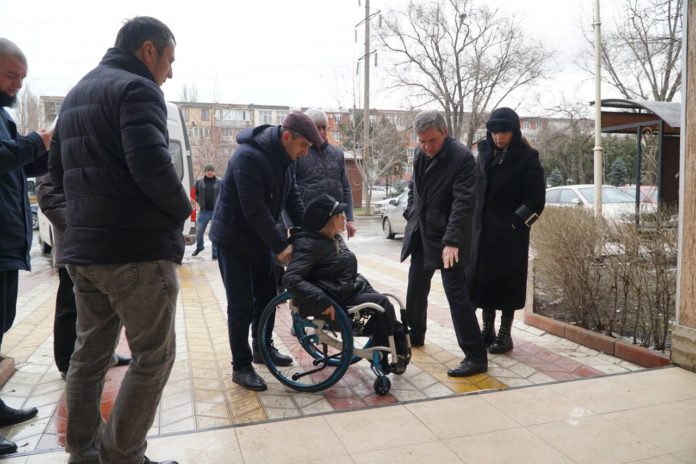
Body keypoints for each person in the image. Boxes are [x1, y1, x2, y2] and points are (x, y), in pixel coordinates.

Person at [48, 17, 190, 464]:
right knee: (153, 356)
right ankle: (123, 455)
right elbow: (151, 166)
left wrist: (83, 221)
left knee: (89, 355)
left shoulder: (76, 95)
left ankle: (82, 451)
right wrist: (183, 210)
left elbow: (54, 176)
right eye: (168, 60)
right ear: (148, 50)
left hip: (84, 254)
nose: (169, 72)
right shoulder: (138, 89)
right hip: (135, 252)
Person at [210, 111, 323, 391]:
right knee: (240, 305)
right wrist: (281, 245)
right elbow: (254, 209)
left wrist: (308, 233)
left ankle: (262, 349)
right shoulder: (248, 157)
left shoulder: (287, 159)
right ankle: (241, 366)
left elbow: (292, 198)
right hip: (233, 240)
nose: (305, 153)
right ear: (287, 136)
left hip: (259, 238)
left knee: (266, 296)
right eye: (303, 146)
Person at [400, 110, 487, 377]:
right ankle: (415, 335)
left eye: (432, 141)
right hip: (422, 233)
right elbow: (415, 188)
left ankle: (476, 356)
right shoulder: (420, 154)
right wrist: (411, 213)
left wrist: (452, 241)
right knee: (416, 286)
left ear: (445, 133)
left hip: (449, 238)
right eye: (422, 141)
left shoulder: (462, 158)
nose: (427, 147)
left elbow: (464, 203)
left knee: (456, 294)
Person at [283, 194, 409, 373]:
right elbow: (291, 279)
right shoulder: (309, 244)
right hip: (336, 299)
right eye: (340, 215)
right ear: (328, 220)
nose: (345, 218)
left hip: (349, 289)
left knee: (384, 308)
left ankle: (394, 347)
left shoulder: (333, 237)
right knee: (382, 305)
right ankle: (387, 354)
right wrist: (322, 299)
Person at [0, 37, 52, 456]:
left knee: (2, 325)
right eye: (11, 75)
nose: (18, 84)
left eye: (22, 77)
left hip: (6, 243)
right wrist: (39, 139)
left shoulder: (3, 115)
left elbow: (18, 164)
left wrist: (51, 149)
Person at [35, 175, 131, 380]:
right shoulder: (57, 154)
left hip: (104, 245)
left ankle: (105, 355)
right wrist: (81, 229)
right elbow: (48, 195)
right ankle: (67, 362)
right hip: (75, 247)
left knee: (107, 308)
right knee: (70, 308)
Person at [470, 107, 545, 354]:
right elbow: (476, 190)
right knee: (484, 283)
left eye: (504, 132)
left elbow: (536, 199)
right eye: (494, 132)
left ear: (514, 132)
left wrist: (515, 223)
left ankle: (505, 333)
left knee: (507, 284)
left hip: (510, 236)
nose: (498, 137)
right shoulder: (483, 153)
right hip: (483, 234)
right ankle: (487, 329)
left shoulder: (527, 158)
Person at [294, 108, 356, 238]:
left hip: (333, 225)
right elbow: (288, 191)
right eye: (317, 128)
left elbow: (345, 187)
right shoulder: (298, 153)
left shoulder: (337, 153)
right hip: (306, 225)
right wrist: (291, 225)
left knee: (337, 252)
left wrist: (350, 219)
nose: (321, 132)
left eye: (324, 127)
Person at [191, 163, 221, 258]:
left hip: (216, 212)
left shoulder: (220, 182)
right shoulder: (199, 182)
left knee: (215, 232)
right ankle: (200, 247)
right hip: (203, 212)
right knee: (199, 231)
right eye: (208, 171)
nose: (210, 172)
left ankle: (215, 253)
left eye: (212, 170)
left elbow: (225, 193)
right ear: (205, 172)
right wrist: (198, 200)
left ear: (214, 172)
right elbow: (193, 193)